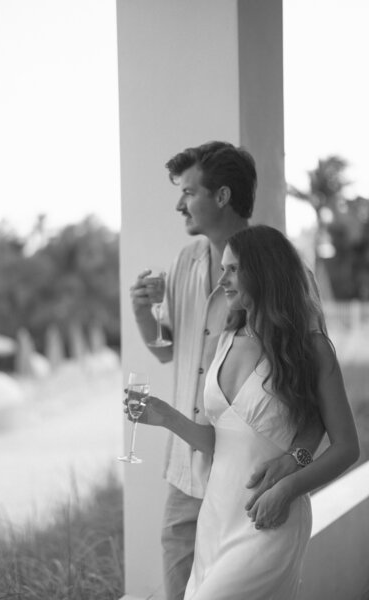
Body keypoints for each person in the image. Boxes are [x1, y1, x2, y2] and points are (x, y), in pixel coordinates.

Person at [130, 141, 324, 600]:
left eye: (188, 191)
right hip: (189, 466)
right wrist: (143, 311)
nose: (179, 204)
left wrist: (295, 464)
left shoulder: (284, 273)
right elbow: (165, 350)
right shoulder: (184, 263)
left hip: (254, 477)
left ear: (221, 196)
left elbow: (314, 375)